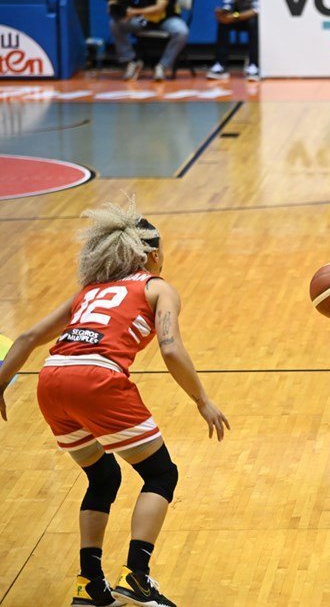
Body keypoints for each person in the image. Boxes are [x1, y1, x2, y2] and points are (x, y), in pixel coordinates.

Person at [0, 199, 229, 607]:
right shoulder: (157, 287)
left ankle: (90, 583)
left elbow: (26, 339)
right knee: (161, 475)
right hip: (97, 379)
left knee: (103, 478)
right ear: (153, 255)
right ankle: (137, 576)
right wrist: (202, 400)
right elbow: (172, 349)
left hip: (51, 379)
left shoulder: (88, 292)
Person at [107, 0, 189, 82]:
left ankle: (163, 66)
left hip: (166, 19)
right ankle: (131, 61)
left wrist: (133, 12)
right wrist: (115, 9)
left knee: (181, 31)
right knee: (115, 24)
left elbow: (159, 8)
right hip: (143, 21)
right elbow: (115, 0)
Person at [206, 0, 260, 82]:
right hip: (238, 15)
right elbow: (228, 2)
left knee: (253, 23)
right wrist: (223, 12)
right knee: (223, 23)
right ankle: (220, 64)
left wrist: (234, 16)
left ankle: (254, 65)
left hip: (253, 17)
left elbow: (257, 9)